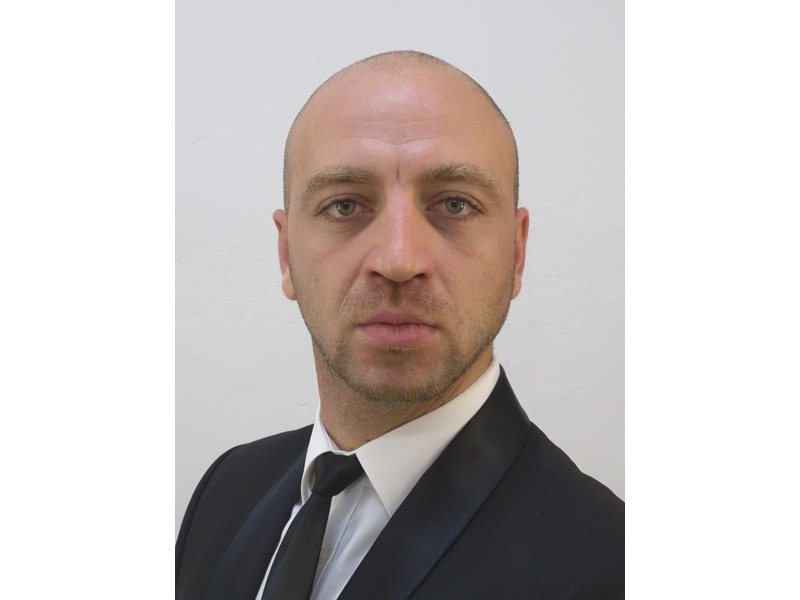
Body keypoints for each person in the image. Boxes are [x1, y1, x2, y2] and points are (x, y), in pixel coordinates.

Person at [176, 50, 624, 600]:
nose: (398, 259)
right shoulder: (226, 490)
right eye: (344, 206)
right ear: (286, 253)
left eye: (454, 205)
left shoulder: (611, 567)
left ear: (517, 253)